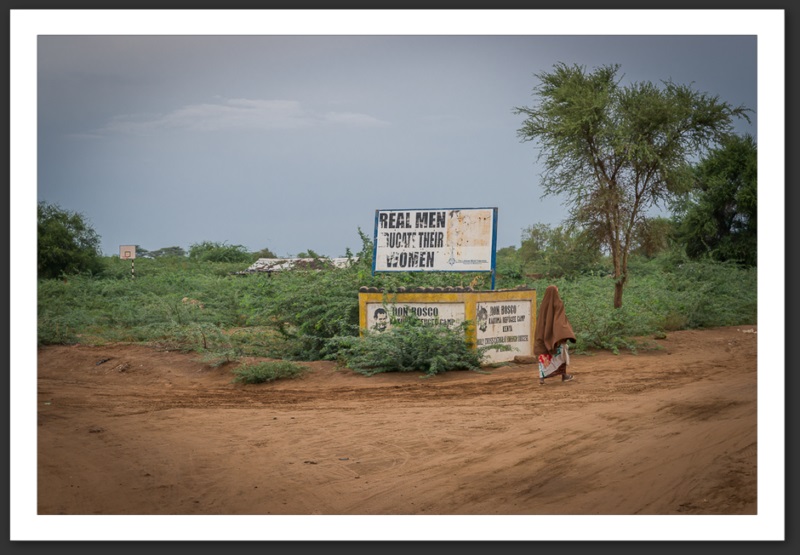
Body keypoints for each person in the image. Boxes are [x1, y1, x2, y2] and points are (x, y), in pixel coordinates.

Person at [533, 285, 576, 385]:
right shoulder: (558, 304)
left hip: (543, 335)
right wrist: (564, 333)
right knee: (561, 355)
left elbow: (541, 323)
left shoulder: (543, 305)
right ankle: (564, 375)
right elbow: (561, 321)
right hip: (556, 337)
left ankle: (542, 379)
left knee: (544, 355)